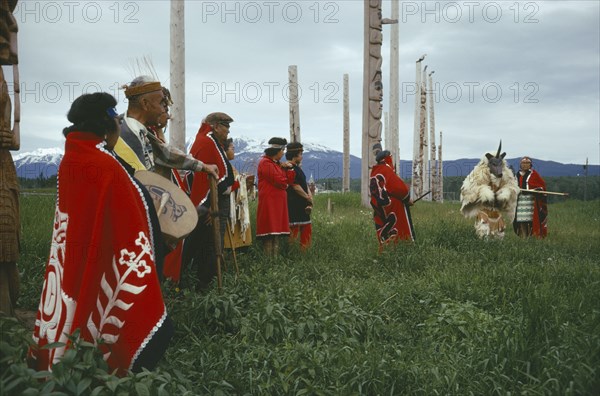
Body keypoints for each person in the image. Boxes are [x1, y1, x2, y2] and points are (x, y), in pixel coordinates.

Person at [29, 93, 172, 375]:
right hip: (103, 253)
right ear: (108, 125)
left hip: (73, 255)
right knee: (94, 309)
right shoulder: (105, 165)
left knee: (71, 305)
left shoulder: (73, 158)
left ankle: (60, 361)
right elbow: (128, 220)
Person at [115, 75, 218, 179]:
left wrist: (203, 166)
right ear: (145, 104)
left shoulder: (142, 132)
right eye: (161, 103)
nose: (163, 111)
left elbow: (166, 153)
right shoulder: (117, 136)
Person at [184, 112, 235, 289]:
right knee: (212, 243)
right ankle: (205, 283)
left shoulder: (212, 142)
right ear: (216, 126)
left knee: (212, 242)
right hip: (213, 201)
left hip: (216, 200)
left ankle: (206, 279)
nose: (228, 131)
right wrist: (209, 205)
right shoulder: (207, 142)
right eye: (226, 126)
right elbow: (206, 178)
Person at [369, 146, 415, 250]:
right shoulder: (386, 169)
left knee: (385, 230)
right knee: (399, 228)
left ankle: (386, 251)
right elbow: (399, 189)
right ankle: (403, 249)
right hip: (392, 206)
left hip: (379, 207)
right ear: (387, 159)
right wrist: (407, 200)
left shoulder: (375, 171)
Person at [256, 137, 295, 257]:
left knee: (276, 232)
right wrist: (286, 179)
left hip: (278, 202)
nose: (283, 153)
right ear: (276, 151)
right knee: (269, 232)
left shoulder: (276, 164)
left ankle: (275, 258)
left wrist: (289, 169)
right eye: (282, 150)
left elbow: (289, 181)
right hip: (270, 201)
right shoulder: (265, 163)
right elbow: (281, 182)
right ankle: (268, 259)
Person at [222, 138, 253, 251]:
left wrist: (243, 180)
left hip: (236, 205)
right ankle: (230, 248)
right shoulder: (224, 166)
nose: (234, 151)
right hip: (230, 206)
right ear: (224, 150)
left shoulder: (230, 166)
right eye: (232, 148)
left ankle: (239, 246)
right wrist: (241, 181)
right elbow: (227, 184)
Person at [285, 142, 313, 250]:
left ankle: (304, 253)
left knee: (306, 229)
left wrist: (309, 197)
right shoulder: (289, 168)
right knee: (294, 230)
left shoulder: (297, 168)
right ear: (295, 155)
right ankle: (292, 253)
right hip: (294, 204)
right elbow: (295, 186)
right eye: (301, 153)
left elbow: (303, 184)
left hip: (302, 205)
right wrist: (307, 197)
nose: (302, 156)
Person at [513, 156, 548, 238]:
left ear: (530, 165)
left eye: (527, 163)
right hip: (520, 202)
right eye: (523, 163)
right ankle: (524, 237)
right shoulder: (516, 175)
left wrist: (538, 189)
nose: (525, 165)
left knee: (531, 220)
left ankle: (532, 236)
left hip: (531, 202)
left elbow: (542, 185)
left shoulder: (534, 174)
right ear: (520, 165)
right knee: (520, 220)